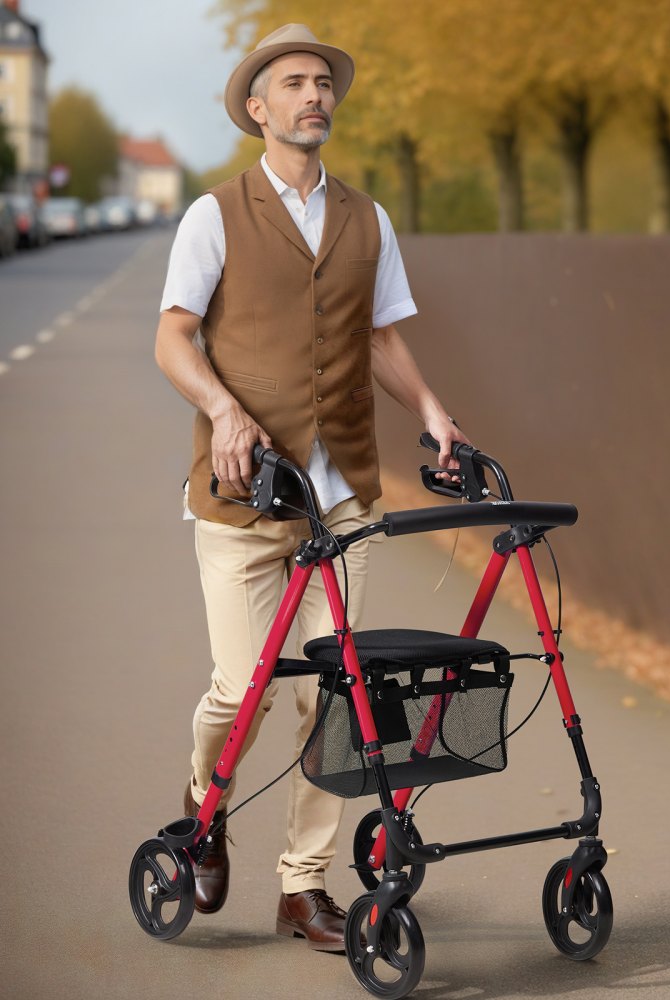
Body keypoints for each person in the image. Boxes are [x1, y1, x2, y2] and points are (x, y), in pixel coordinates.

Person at [154, 23, 467, 953]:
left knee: (337, 698)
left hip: (344, 494)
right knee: (243, 686)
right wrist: (226, 412)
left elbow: (379, 337)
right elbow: (173, 337)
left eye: (324, 82)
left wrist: (436, 413)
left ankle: (304, 887)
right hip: (246, 496)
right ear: (259, 108)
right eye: (294, 82)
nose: (314, 95)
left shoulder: (367, 218)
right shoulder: (214, 215)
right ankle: (203, 805)